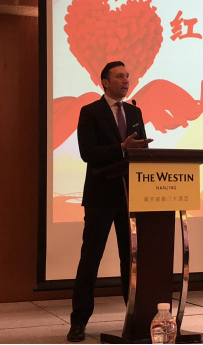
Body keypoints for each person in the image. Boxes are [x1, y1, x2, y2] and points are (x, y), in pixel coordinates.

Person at [67, 61, 153, 342]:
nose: (126, 80)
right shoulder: (90, 111)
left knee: (132, 261)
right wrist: (121, 148)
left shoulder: (135, 112)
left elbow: (141, 151)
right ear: (105, 82)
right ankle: (79, 322)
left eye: (128, 76)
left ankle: (135, 318)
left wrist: (139, 150)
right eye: (119, 76)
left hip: (131, 196)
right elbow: (87, 152)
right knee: (90, 260)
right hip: (101, 197)